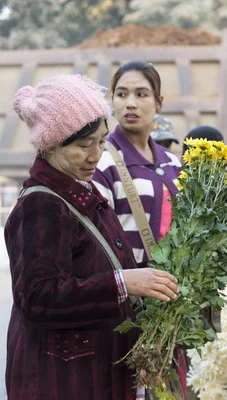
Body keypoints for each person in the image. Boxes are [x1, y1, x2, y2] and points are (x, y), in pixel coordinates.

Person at [4, 74, 179, 400]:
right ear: (51, 145)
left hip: (92, 377)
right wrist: (123, 283)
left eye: (101, 142)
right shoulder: (42, 205)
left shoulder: (80, 194)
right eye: (85, 146)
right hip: (60, 382)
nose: (96, 155)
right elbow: (37, 297)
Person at [92, 61, 187, 397]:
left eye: (141, 94)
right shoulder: (100, 162)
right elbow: (96, 241)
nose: (130, 103)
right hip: (123, 309)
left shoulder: (175, 164)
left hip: (169, 308)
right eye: (121, 94)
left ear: (158, 103)